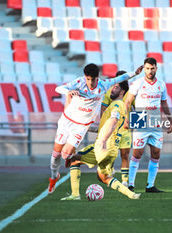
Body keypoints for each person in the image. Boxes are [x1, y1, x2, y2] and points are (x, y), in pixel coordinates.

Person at [48, 63, 143, 194]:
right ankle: (54, 177)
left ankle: (70, 158)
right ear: (85, 77)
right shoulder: (79, 83)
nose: (91, 82)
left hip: (81, 126)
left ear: (97, 78)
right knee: (56, 155)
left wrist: (135, 73)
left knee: (65, 154)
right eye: (88, 79)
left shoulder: (103, 84)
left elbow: (120, 78)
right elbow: (59, 88)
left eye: (93, 79)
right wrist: (68, 91)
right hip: (67, 121)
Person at [62, 81, 141, 200]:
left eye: (116, 87)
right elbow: (105, 127)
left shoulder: (117, 105)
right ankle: (132, 195)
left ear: (122, 92)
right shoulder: (119, 105)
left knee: (74, 160)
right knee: (103, 177)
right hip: (112, 149)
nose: (112, 89)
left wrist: (102, 141)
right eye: (113, 87)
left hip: (104, 145)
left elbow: (113, 121)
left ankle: (75, 194)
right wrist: (86, 127)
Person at [124, 57, 172, 193]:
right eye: (147, 68)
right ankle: (131, 184)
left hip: (156, 120)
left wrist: (170, 119)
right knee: (137, 152)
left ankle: (150, 186)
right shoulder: (138, 83)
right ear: (144, 69)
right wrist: (127, 119)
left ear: (156, 68)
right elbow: (128, 102)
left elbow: (164, 103)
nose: (150, 71)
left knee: (156, 153)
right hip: (140, 117)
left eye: (152, 68)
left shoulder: (161, 84)